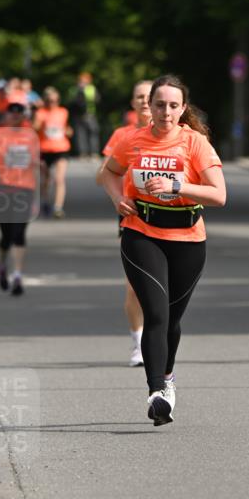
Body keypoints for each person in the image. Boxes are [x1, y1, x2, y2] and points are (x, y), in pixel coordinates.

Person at [101, 74, 226, 425]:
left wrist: (178, 185)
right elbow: (108, 173)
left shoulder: (195, 143)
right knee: (155, 313)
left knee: (172, 318)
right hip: (141, 232)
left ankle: (167, 379)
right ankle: (156, 391)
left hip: (187, 238)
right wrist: (118, 197)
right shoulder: (132, 140)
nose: (165, 112)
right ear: (149, 107)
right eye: (159, 105)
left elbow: (219, 194)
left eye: (173, 106)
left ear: (183, 108)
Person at [96, 80, 153, 366]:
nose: (144, 101)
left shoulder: (178, 135)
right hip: (131, 213)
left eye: (148, 96)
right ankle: (139, 344)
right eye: (139, 97)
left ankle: (160, 338)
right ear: (132, 103)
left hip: (168, 215)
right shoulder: (123, 135)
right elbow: (102, 175)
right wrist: (123, 181)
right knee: (134, 285)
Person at [0, 93, 40, 296]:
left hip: (25, 188)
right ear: (7, 115)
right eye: (11, 113)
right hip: (2, 189)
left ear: (23, 116)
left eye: (18, 113)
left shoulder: (30, 135)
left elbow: (36, 164)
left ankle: (18, 275)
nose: (14, 116)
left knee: (19, 233)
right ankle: (2, 264)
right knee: (6, 236)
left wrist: (39, 180)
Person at [33, 87, 72, 219]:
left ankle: (58, 208)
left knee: (59, 179)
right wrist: (41, 123)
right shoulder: (41, 113)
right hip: (44, 149)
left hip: (61, 148)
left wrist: (68, 131)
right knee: (46, 180)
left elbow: (67, 128)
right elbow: (35, 128)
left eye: (55, 101)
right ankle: (45, 202)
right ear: (45, 101)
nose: (52, 103)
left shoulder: (63, 112)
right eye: (49, 101)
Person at [69, 71, 100, 158]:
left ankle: (94, 152)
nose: (82, 82)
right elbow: (71, 101)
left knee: (93, 133)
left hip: (89, 114)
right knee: (80, 135)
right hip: (78, 115)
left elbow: (97, 99)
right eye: (81, 80)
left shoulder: (92, 89)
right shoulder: (74, 89)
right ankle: (82, 153)